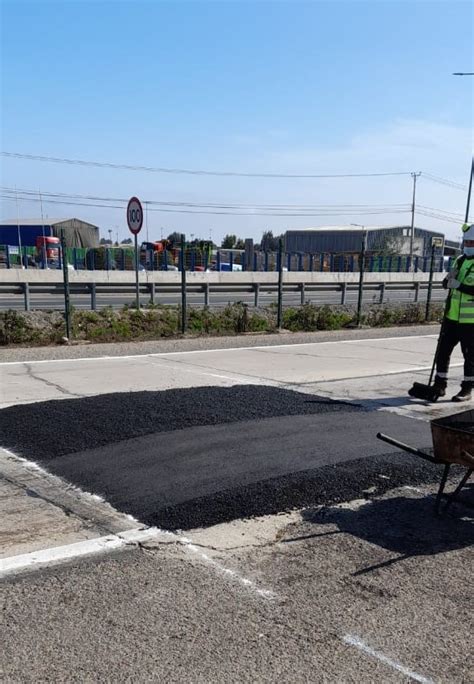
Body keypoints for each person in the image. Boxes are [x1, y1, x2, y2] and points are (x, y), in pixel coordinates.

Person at [433, 223, 474, 402]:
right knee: (442, 352)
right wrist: (447, 281)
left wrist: (461, 286)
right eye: (466, 242)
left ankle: (467, 389)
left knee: (470, 357)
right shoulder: (460, 260)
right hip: (451, 317)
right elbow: (448, 281)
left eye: (472, 243)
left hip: (470, 321)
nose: (468, 246)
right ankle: (440, 385)